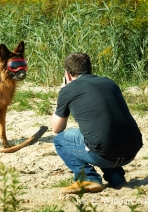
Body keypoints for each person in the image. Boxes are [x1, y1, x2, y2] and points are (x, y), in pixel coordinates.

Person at [51, 52, 143, 194]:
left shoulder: (68, 89)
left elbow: (57, 128)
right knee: (101, 132)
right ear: (90, 69)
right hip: (132, 150)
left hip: (104, 152)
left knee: (60, 140)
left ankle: (88, 178)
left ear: (67, 74)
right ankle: (116, 177)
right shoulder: (110, 82)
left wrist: (62, 92)